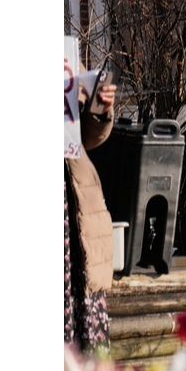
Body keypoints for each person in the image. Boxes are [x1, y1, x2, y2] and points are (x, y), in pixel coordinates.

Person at [65, 58, 117, 354]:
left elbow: (88, 138)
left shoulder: (63, 57)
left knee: (87, 352)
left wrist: (100, 107)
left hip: (76, 209)